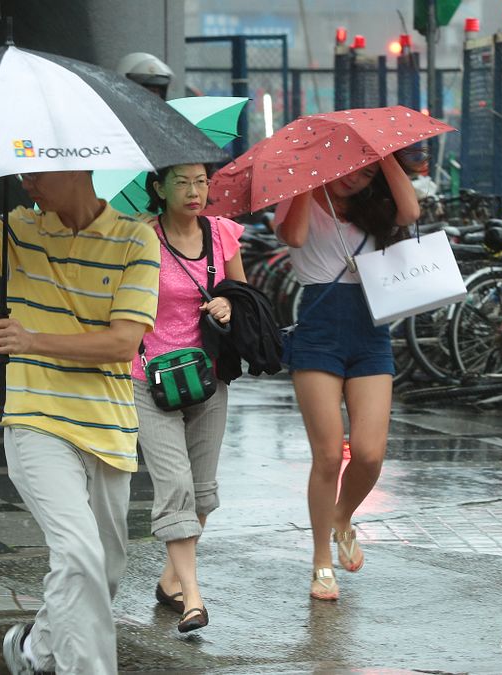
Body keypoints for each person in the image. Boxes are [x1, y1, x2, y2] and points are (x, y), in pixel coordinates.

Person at [0, 172, 160, 675]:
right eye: (21, 171)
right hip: (35, 416)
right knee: (79, 554)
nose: (27, 183)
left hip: (108, 425)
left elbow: (122, 343)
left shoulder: (135, 238)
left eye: (38, 171)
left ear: (78, 167)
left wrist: (31, 339)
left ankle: (35, 650)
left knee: (102, 570)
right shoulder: (20, 227)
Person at [273, 153, 420, 601]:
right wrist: (305, 175)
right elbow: (293, 235)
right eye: (351, 167)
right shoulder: (299, 198)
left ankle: (342, 517)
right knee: (327, 455)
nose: (356, 178)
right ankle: (320, 561)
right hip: (319, 333)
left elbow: (411, 212)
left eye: (367, 173)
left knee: (371, 453)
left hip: (372, 331)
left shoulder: (373, 205)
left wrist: (386, 158)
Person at [133, 163, 245, 632]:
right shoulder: (138, 236)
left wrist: (228, 303)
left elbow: (243, 296)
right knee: (174, 484)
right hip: (148, 377)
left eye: (201, 180)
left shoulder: (222, 234)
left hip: (207, 376)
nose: (195, 190)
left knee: (202, 491)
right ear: (158, 188)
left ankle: (170, 579)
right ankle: (193, 598)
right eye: (182, 182)